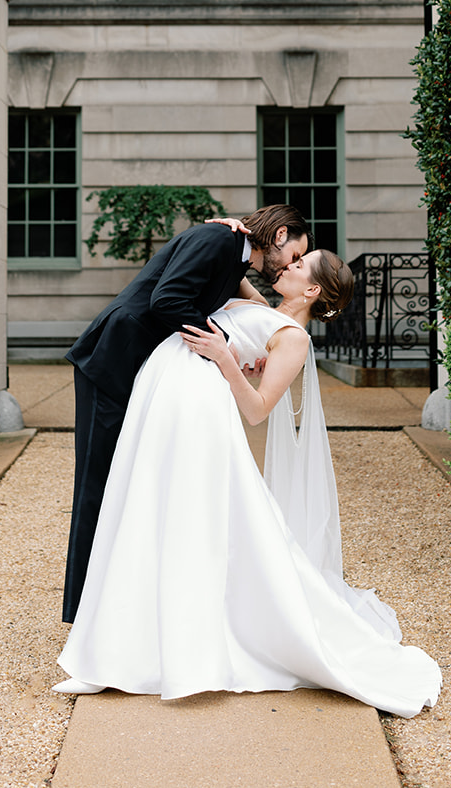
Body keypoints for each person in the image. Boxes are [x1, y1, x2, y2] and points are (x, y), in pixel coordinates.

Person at [55, 249, 442, 718]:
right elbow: (234, 263)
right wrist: (232, 236)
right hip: (163, 391)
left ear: (312, 289)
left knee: (187, 521)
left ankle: (163, 654)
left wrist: (225, 358)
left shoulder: (294, 339)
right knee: (143, 510)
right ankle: (117, 650)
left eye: (299, 265)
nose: (288, 265)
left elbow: (257, 410)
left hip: (199, 408)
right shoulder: (262, 307)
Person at [62, 204, 310, 622]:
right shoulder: (218, 240)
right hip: (111, 361)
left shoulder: (234, 253)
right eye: (295, 255)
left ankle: (121, 598)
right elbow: (167, 300)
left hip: (143, 373)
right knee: (96, 483)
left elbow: (251, 304)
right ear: (280, 235)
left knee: (129, 482)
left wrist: (261, 342)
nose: (290, 265)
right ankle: (83, 610)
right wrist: (227, 346)